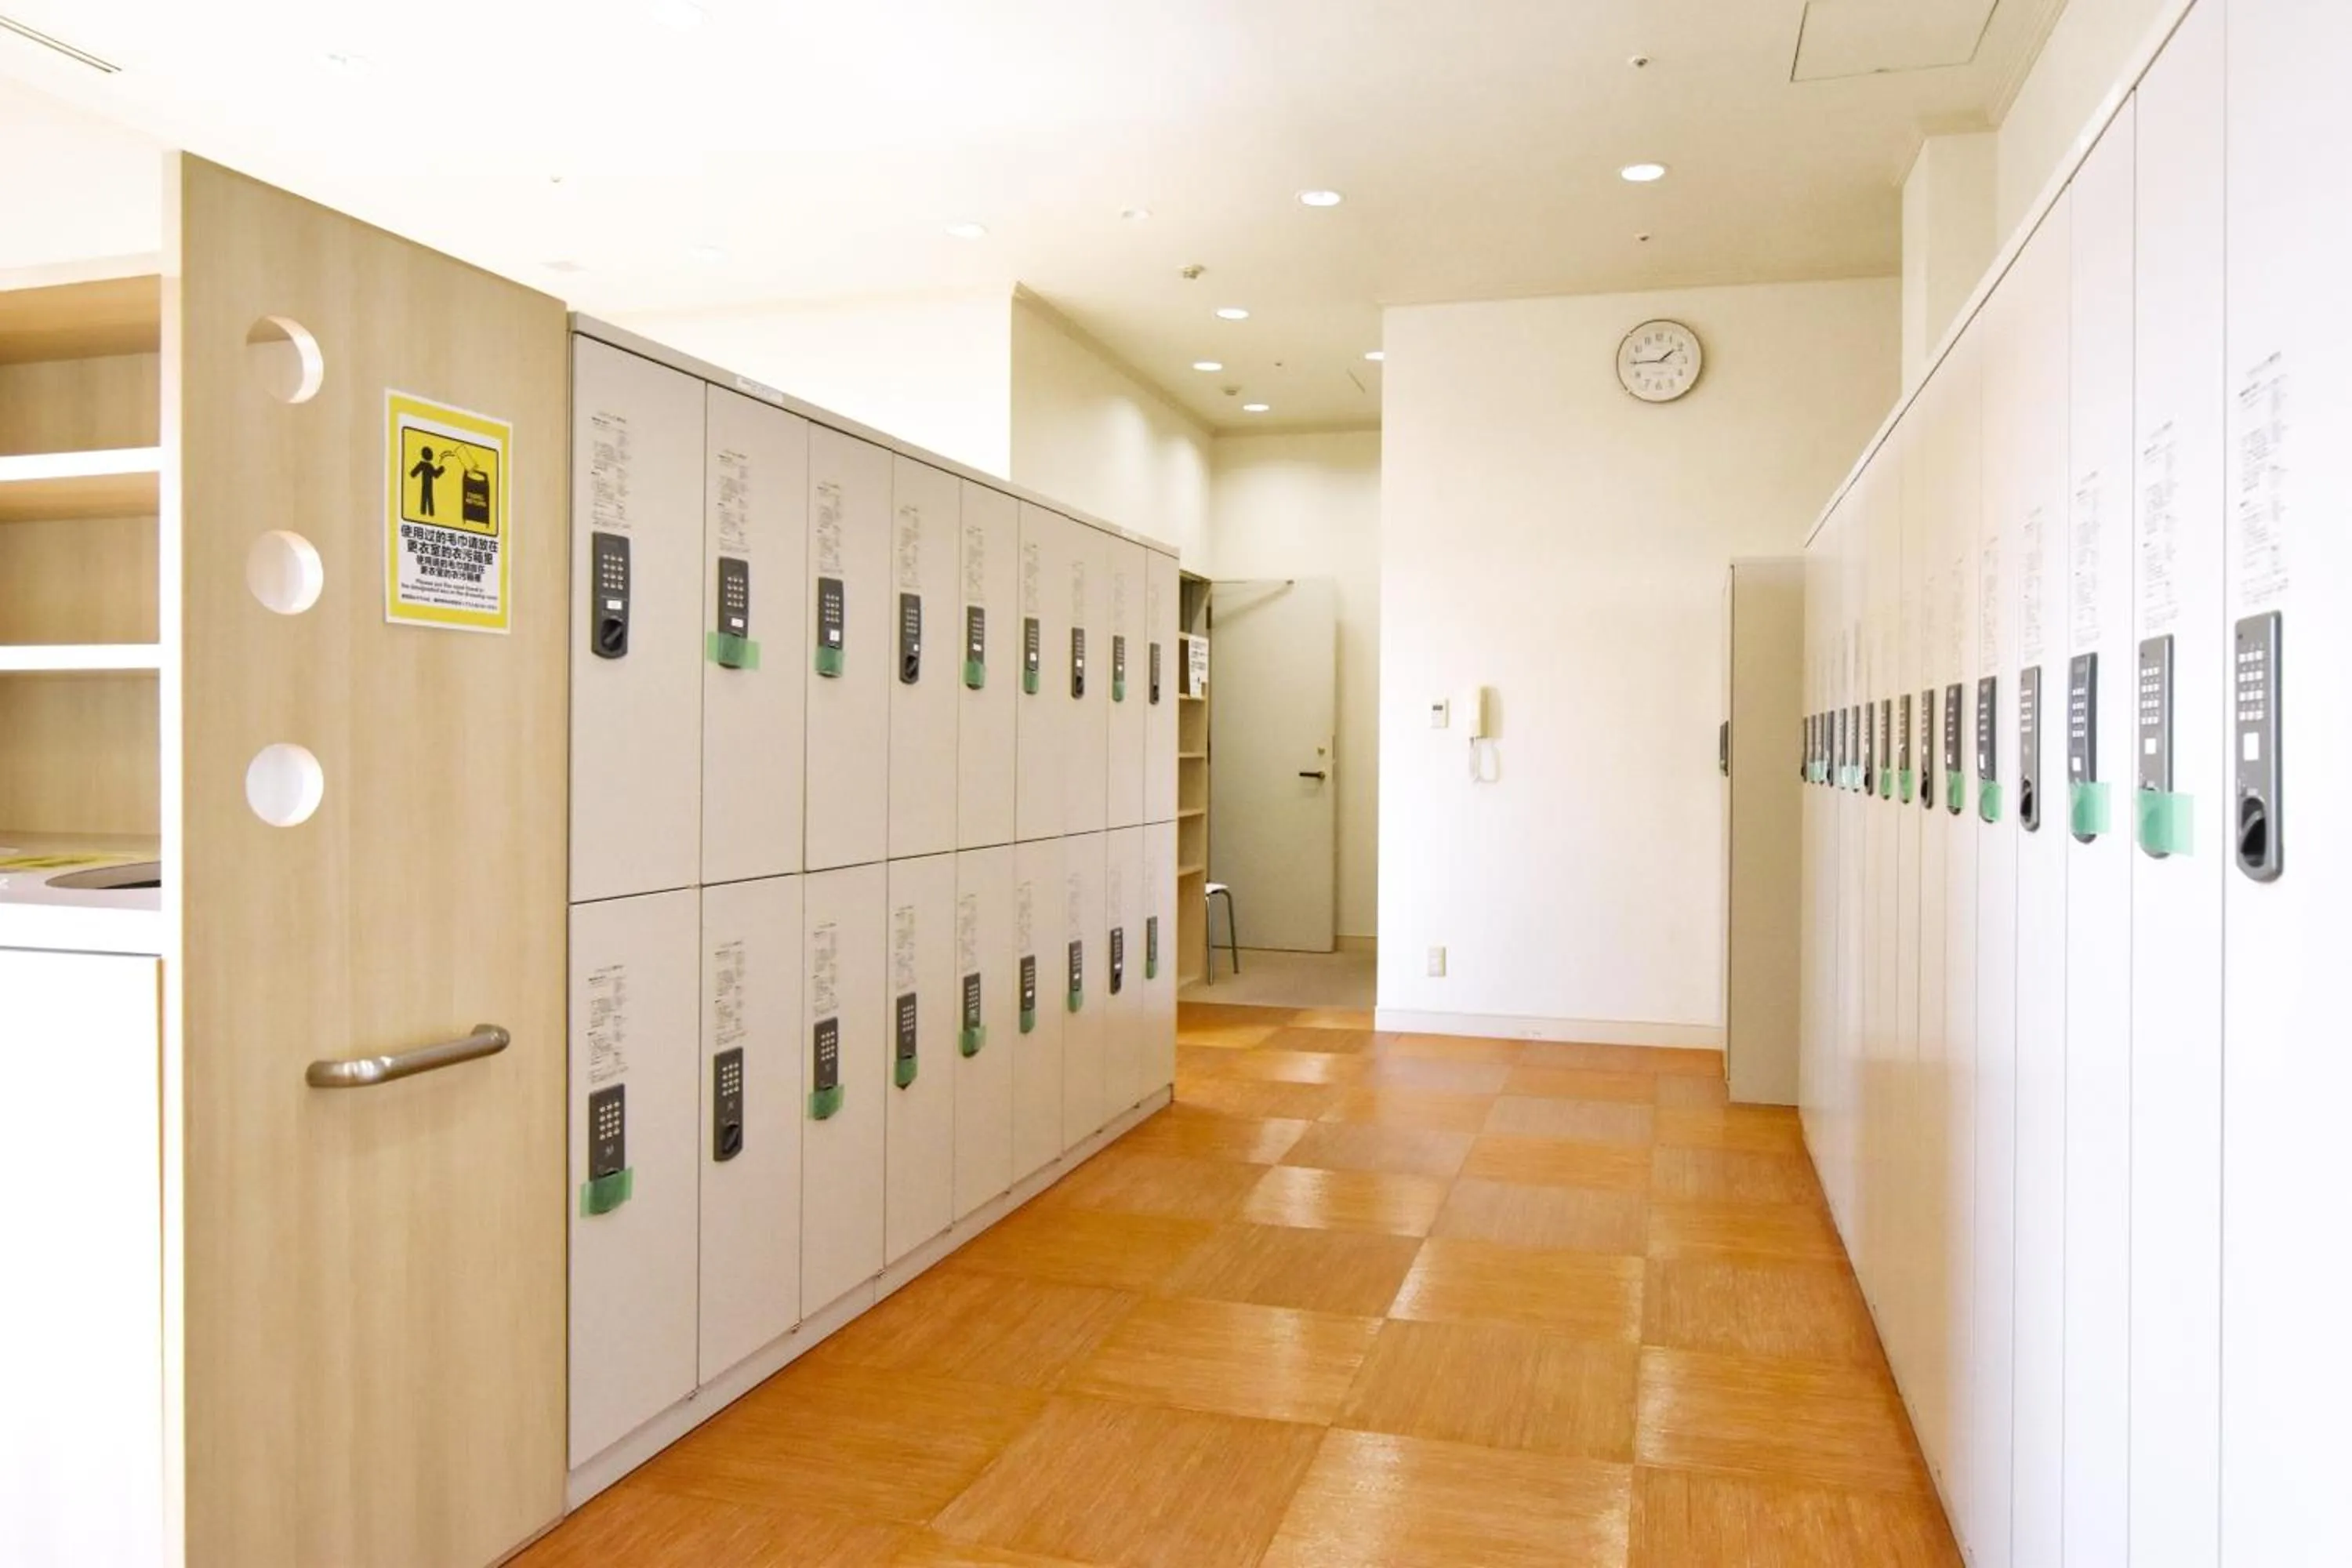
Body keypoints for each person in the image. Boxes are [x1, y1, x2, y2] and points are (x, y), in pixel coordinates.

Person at [408, 445, 447, 517]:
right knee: (429, 498)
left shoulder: (423, 465)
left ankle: (425, 513)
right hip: (428, 485)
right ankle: (429, 513)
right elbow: (436, 475)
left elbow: (413, 474)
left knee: (425, 498)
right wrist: (441, 469)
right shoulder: (429, 466)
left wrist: (440, 470)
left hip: (426, 485)